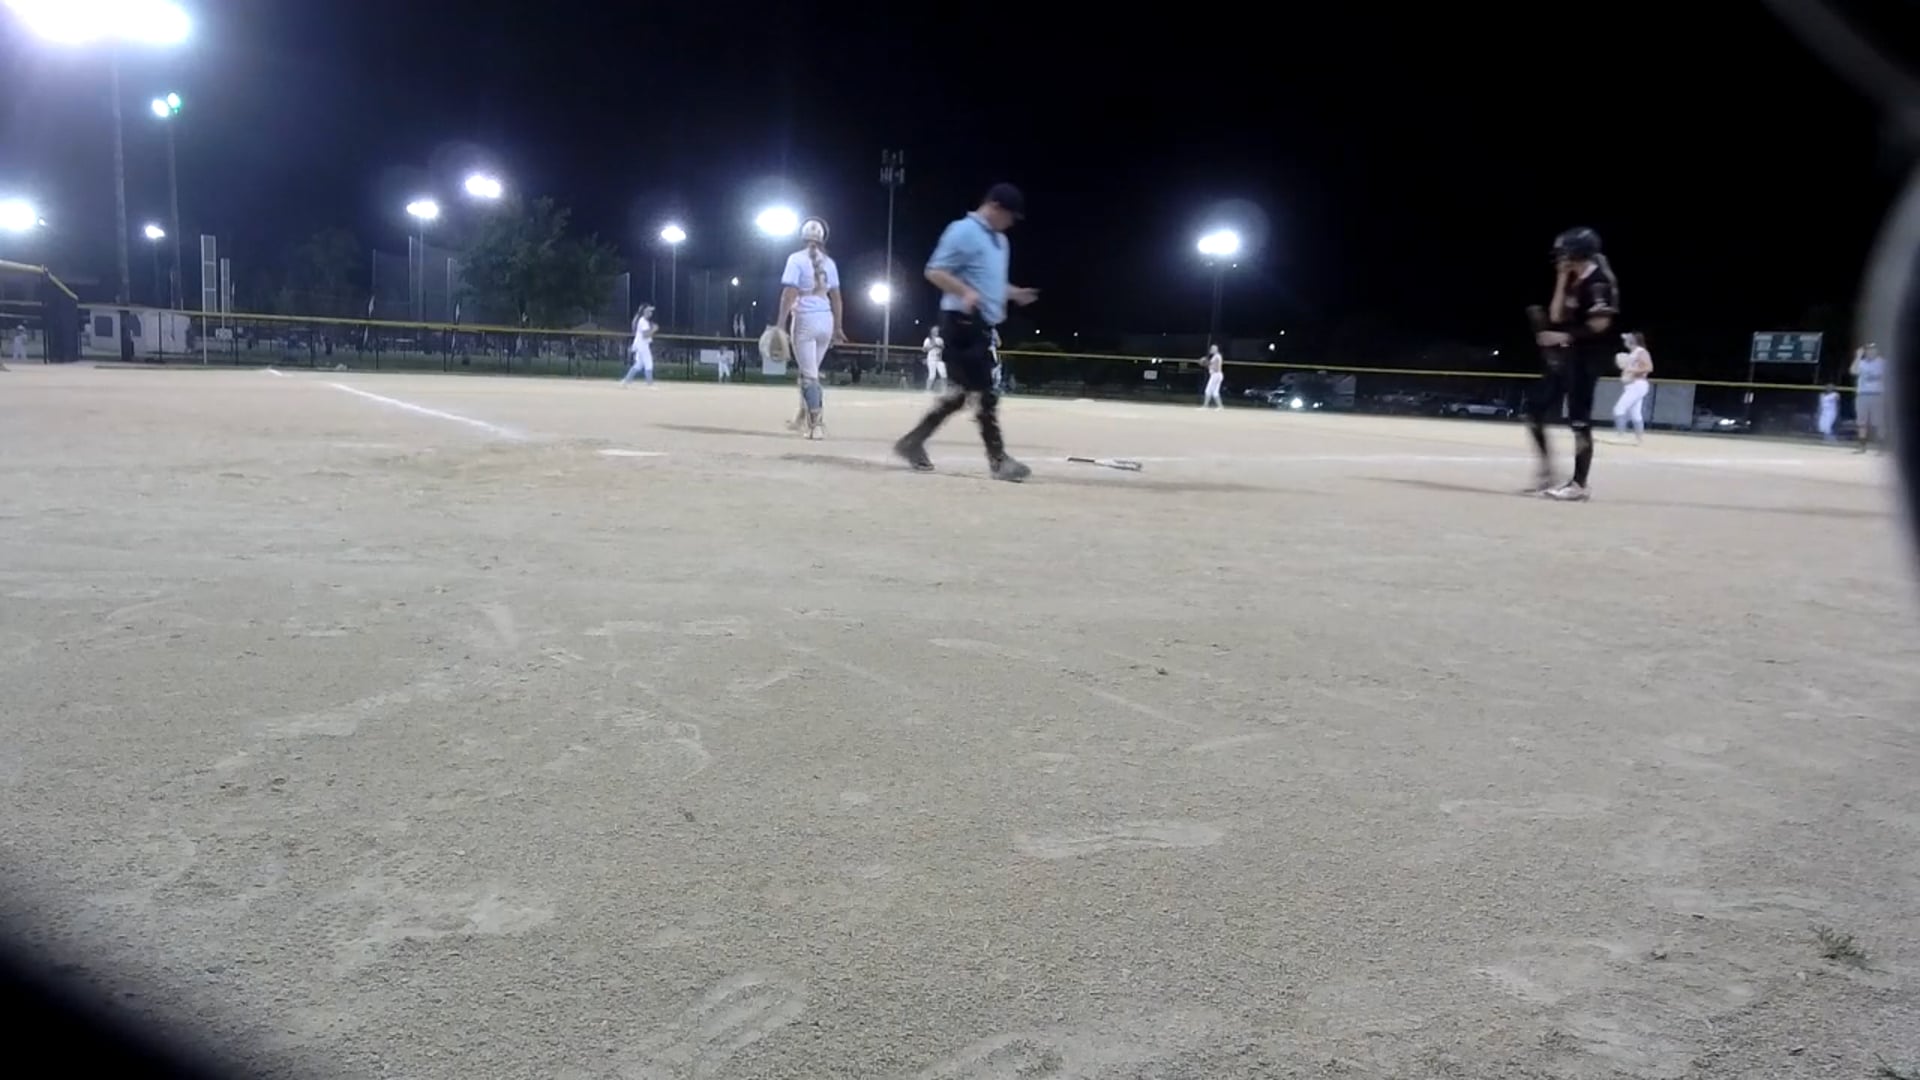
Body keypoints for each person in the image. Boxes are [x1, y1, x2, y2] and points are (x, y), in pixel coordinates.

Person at [893, 184, 1039, 481]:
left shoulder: (1000, 242)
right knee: (986, 392)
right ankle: (998, 460)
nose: (1010, 223)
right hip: (960, 322)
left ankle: (912, 442)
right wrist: (964, 292)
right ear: (995, 207)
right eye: (1009, 216)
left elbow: (990, 285)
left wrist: (1014, 293)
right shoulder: (962, 231)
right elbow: (934, 271)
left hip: (982, 325)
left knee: (961, 395)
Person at [1525, 227, 1619, 501]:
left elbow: (1600, 325)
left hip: (1589, 358)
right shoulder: (1575, 279)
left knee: (1579, 420)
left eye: (1565, 252)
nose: (1561, 256)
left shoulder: (1598, 282)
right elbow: (1556, 315)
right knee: (1534, 410)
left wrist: (1563, 336)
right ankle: (1547, 474)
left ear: (1579, 252)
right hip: (1568, 357)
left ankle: (1579, 484)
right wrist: (1561, 277)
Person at [778, 216, 843, 439]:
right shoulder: (830, 263)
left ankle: (816, 425)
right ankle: (801, 416)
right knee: (809, 370)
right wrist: (838, 328)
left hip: (805, 319)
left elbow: (789, 293)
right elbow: (837, 298)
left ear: (802, 237)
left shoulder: (796, 259)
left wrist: (780, 323)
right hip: (826, 319)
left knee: (809, 376)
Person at [1611, 332, 1653, 443]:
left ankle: (1620, 436)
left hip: (1637, 385)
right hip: (1633, 385)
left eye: (1627, 339)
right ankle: (1639, 439)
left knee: (1619, 408)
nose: (1624, 341)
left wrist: (1631, 370)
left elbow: (1649, 367)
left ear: (1632, 341)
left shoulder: (1641, 352)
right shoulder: (1634, 353)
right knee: (1635, 413)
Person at [1851, 342, 1885, 453]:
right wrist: (1858, 356)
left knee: (1879, 422)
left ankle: (1881, 447)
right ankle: (1862, 446)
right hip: (1863, 395)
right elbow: (1853, 371)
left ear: (1877, 351)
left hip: (1878, 395)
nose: (1870, 351)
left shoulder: (1882, 363)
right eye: (1868, 349)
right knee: (1862, 422)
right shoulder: (1861, 362)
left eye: (1872, 349)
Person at [620, 304, 656, 386]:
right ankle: (650, 383)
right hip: (642, 345)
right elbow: (645, 335)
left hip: (640, 345)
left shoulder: (643, 321)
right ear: (645, 312)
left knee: (639, 365)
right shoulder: (643, 321)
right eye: (649, 311)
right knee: (649, 363)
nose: (651, 313)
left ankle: (626, 381)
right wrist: (653, 329)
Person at [1200, 344, 1225, 409]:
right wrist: (1208, 364)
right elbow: (1211, 365)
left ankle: (1205, 406)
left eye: (1212, 349)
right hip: (1216, 375)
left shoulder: (1217, 356)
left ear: (1216, 349)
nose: (1211, 350)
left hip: (1216, 375)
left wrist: (1209, 364)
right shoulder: (1215, 356)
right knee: (1215, 392)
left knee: (1208, 390)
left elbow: (1217, 366)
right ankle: (1220, 406)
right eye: (1211, 349)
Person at [922, 325, 946, 392]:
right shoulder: (928, 339)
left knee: (943, 374)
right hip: (931, 359)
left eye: (937, 330)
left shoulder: (940, 339)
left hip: (939, 359)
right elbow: (924, 349)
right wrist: (932, 346)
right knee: (932, 375)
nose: (937, 331)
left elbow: (942, 348)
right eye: (935, 330)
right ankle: (927, 390)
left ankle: (944, 390)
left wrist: (939, 347)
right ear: (932, 331)